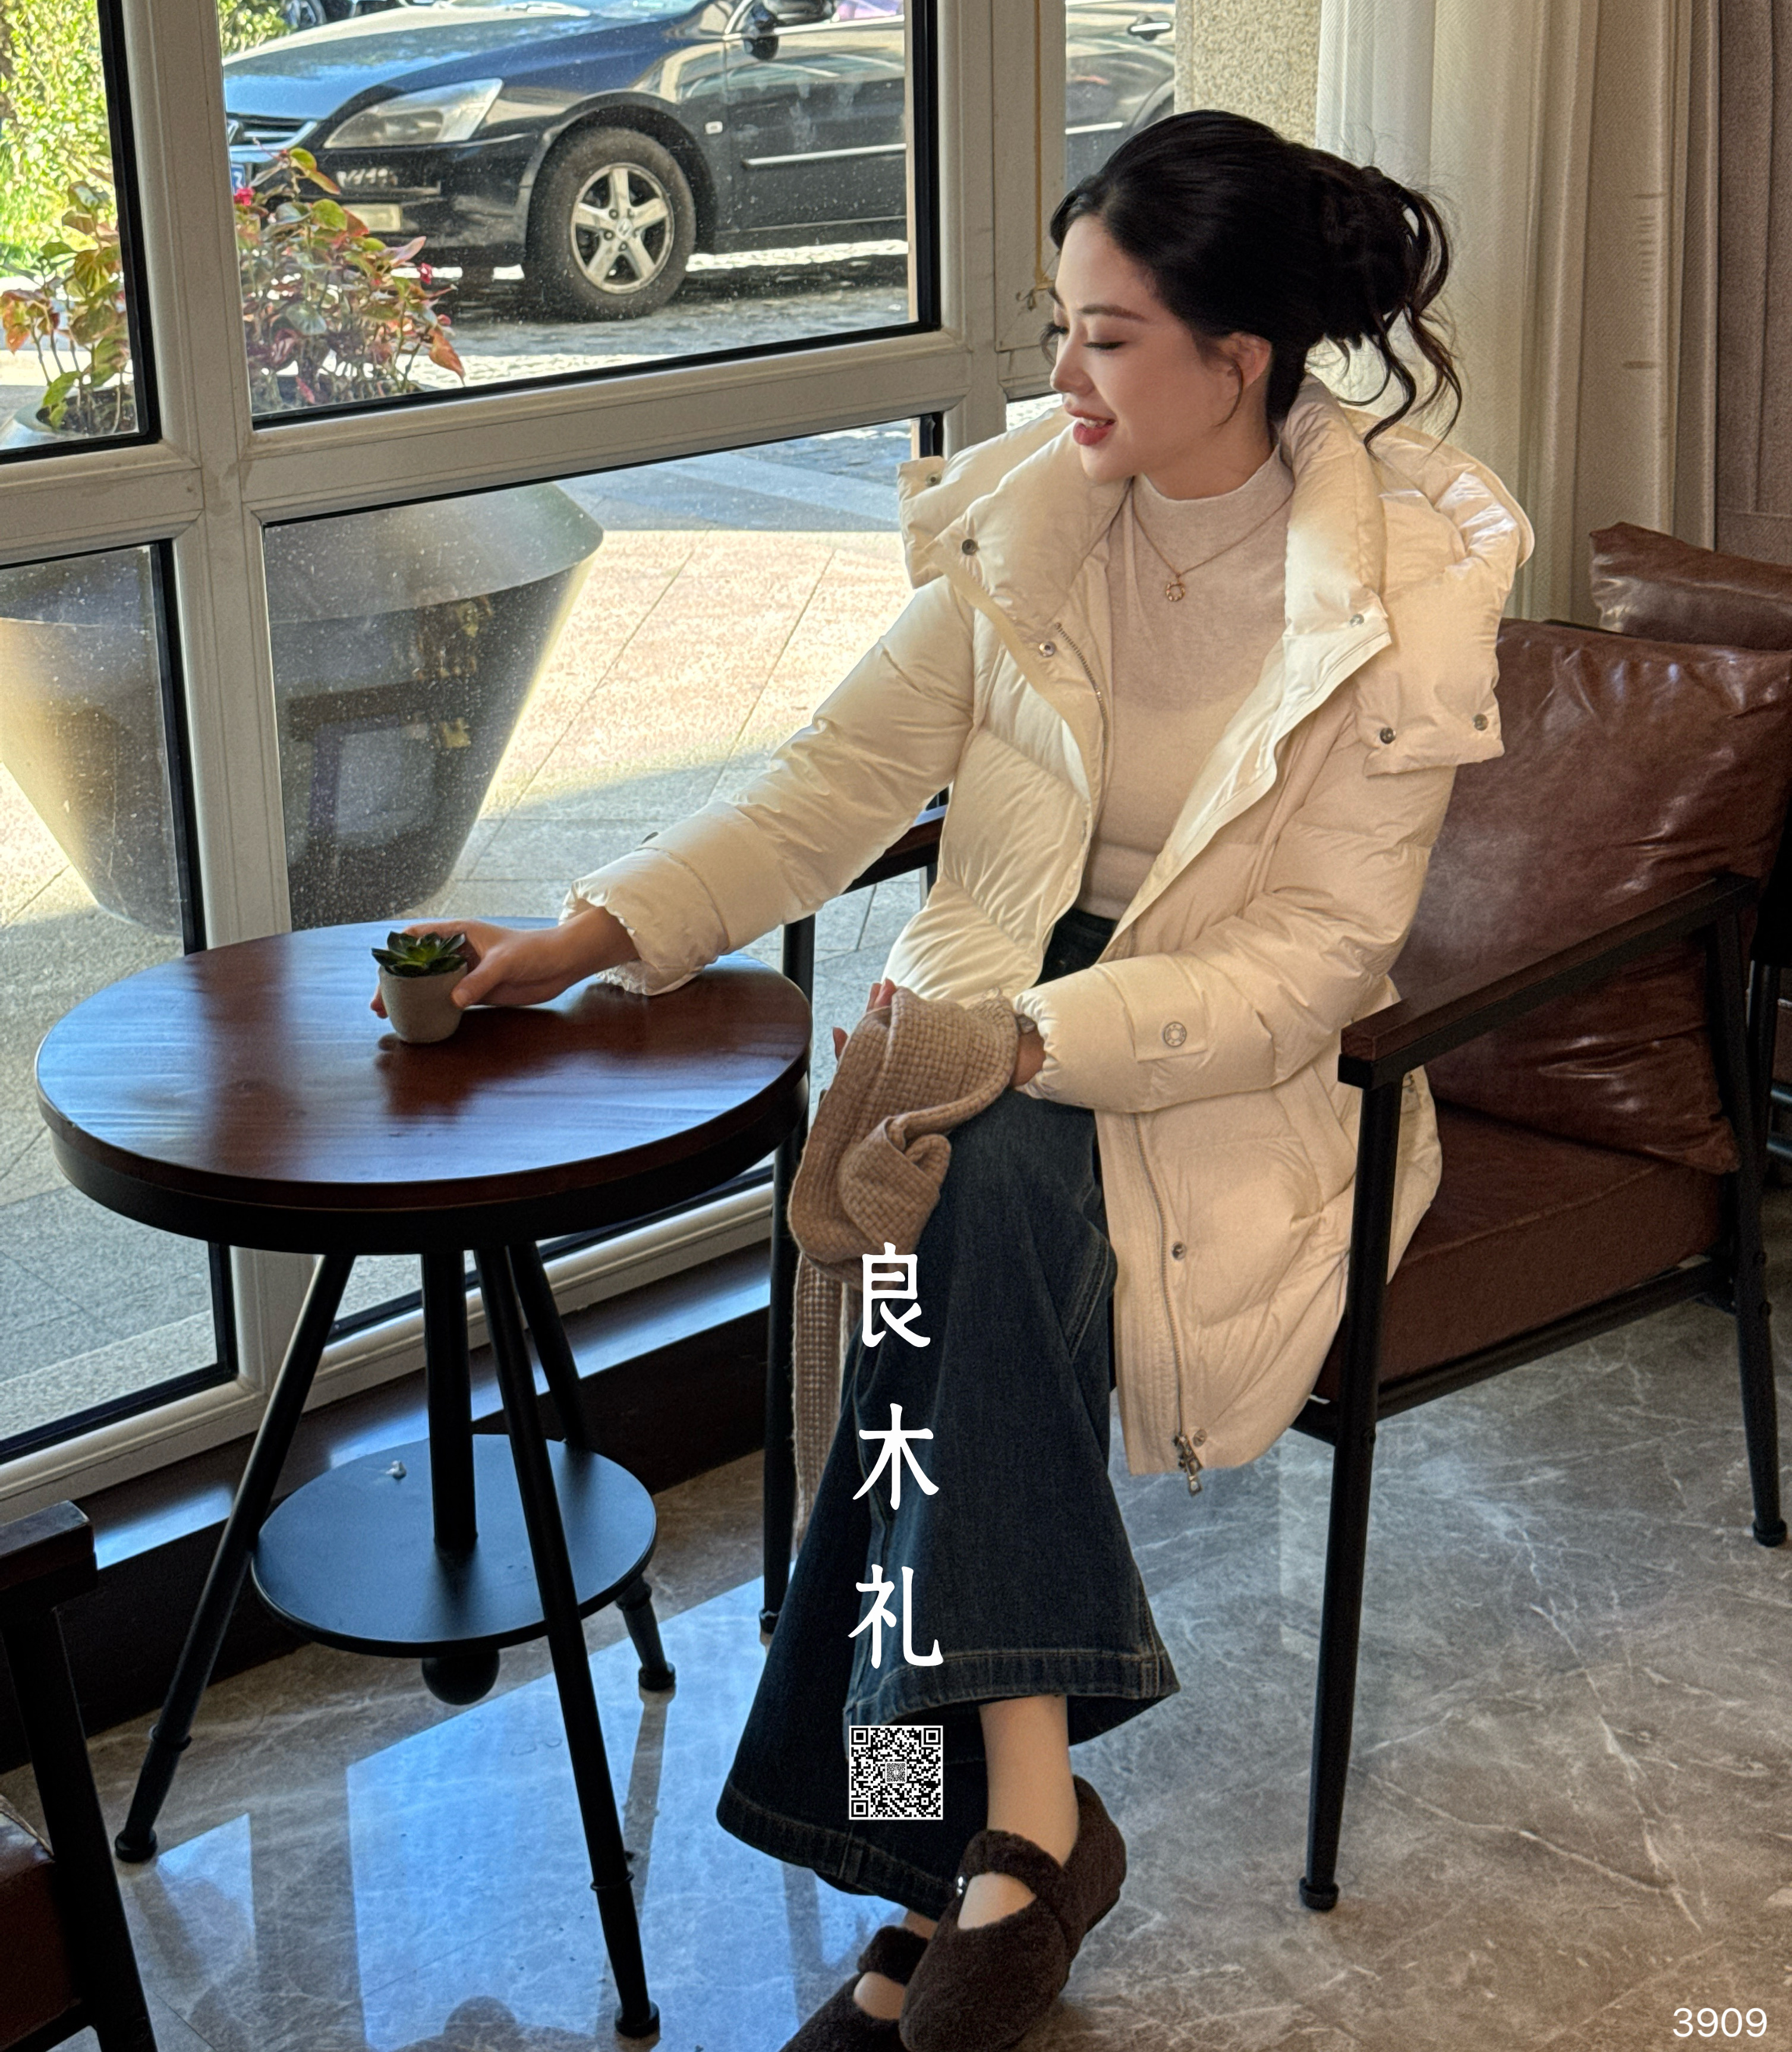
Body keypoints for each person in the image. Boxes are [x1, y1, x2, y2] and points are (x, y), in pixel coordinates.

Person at [382, 111, 1531, 2052]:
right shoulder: (1041, 533)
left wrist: (1031, 1041)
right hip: (980, 1011)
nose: (1062, 371)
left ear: (1238, 357)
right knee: (937, 1286)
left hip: (1208, 1056)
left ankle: (948, 1874)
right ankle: (1010, 1839)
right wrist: (588, 936)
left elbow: (1317, 966)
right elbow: (833, 783)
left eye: (1107, 336)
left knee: (950, 1226)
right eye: (1057, 324)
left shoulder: (1398, 597)